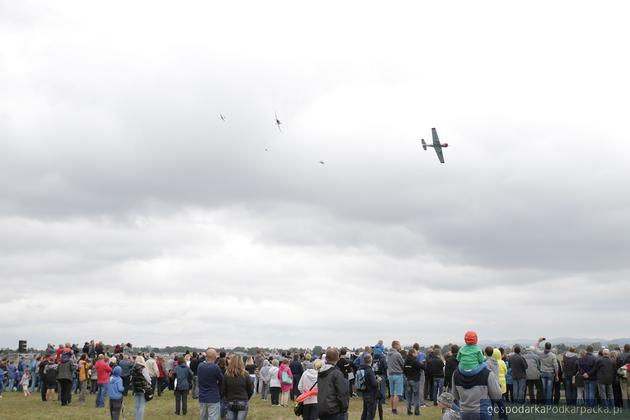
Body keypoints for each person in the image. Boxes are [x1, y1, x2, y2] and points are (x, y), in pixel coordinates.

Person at [317, 347, 349, 420]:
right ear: (338, 358)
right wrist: (344, 408)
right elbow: (342, 393)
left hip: (322, 408)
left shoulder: (320, 371)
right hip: (334, 410)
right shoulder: (336, 373)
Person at [221, 353, 254, 420]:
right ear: (241, 363)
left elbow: (223, 390)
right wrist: (246, 398)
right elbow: (250, 389)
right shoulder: (245, 374)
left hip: (231, 400)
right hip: (241, 400)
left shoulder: (227, 375)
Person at [198, 348, 224, 420]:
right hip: (213, 396)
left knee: (203, 417)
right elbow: (222, 380)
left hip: (202, 396)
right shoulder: (215, 367)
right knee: (213, 417)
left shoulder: (200, 366)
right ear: (215, 357)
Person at [534, 338, 558, 405]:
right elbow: (556, 366)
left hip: (543, 372)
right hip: (550, 373)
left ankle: (544, 402)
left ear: (545, 347)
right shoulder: (553, 355)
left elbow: (535, 348)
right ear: (550, 348)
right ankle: (548, 403)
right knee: (549, 389)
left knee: (544, 389)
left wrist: (539, 341)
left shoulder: (541, 353)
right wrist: (557, 375)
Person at [386, 340, 405, 415]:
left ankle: (392, 409)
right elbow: (402, 364)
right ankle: (394, 410)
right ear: (396, 345)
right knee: (397, 393)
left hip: (390, 375)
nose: (400, 346)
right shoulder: (397, 354)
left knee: (392, 394)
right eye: (399, 345)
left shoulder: (388, 354)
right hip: (398, 375)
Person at [403, 348, 424, 415]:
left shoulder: (406, 361)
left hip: (408, 380)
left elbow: (404, 370)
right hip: (415, 380)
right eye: (416, 353)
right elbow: (423, 367)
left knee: (408, 396)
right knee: (416, 396)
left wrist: (407, 376)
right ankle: (417, 412)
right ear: (412, 353)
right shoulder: (415, 361)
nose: (417, 354)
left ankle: (409, 411)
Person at [358, 354, 378, 420]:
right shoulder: (369, 370)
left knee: (365, 411)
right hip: (371, 393)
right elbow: (374, 384)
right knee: (371, 413)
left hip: (364, 392)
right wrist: (378, 380)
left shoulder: (361, 369)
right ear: (371, 360)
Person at [131, 356, 151, 420]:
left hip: (135, 389)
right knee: (141, 406)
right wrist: (150, 383)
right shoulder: (143, 369)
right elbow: (148, 379)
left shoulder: (133, 368)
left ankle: (136, 418)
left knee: (136, 406)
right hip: (143, 389)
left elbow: (131, 378)